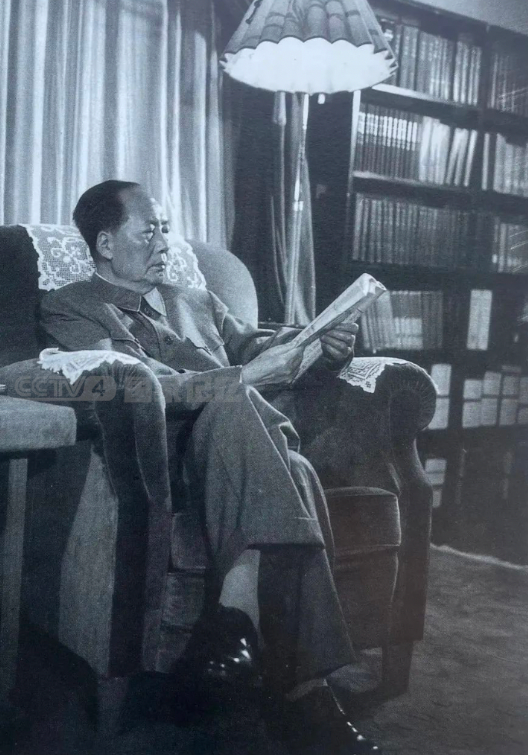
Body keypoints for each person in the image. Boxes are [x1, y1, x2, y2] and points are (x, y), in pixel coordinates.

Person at [40, 180, 381, 754]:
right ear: (105, 243)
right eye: (148, 231)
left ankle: (258, 649)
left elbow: (259, 347)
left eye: (166, 229)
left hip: (241, 454)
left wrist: (323, 347)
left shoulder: (195, 300)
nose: (164, 243)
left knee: (289, 462)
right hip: (160, 461)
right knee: (254, 425)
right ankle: (302, 693)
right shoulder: (71, 307)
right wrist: (244, 379)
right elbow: (134, 388)